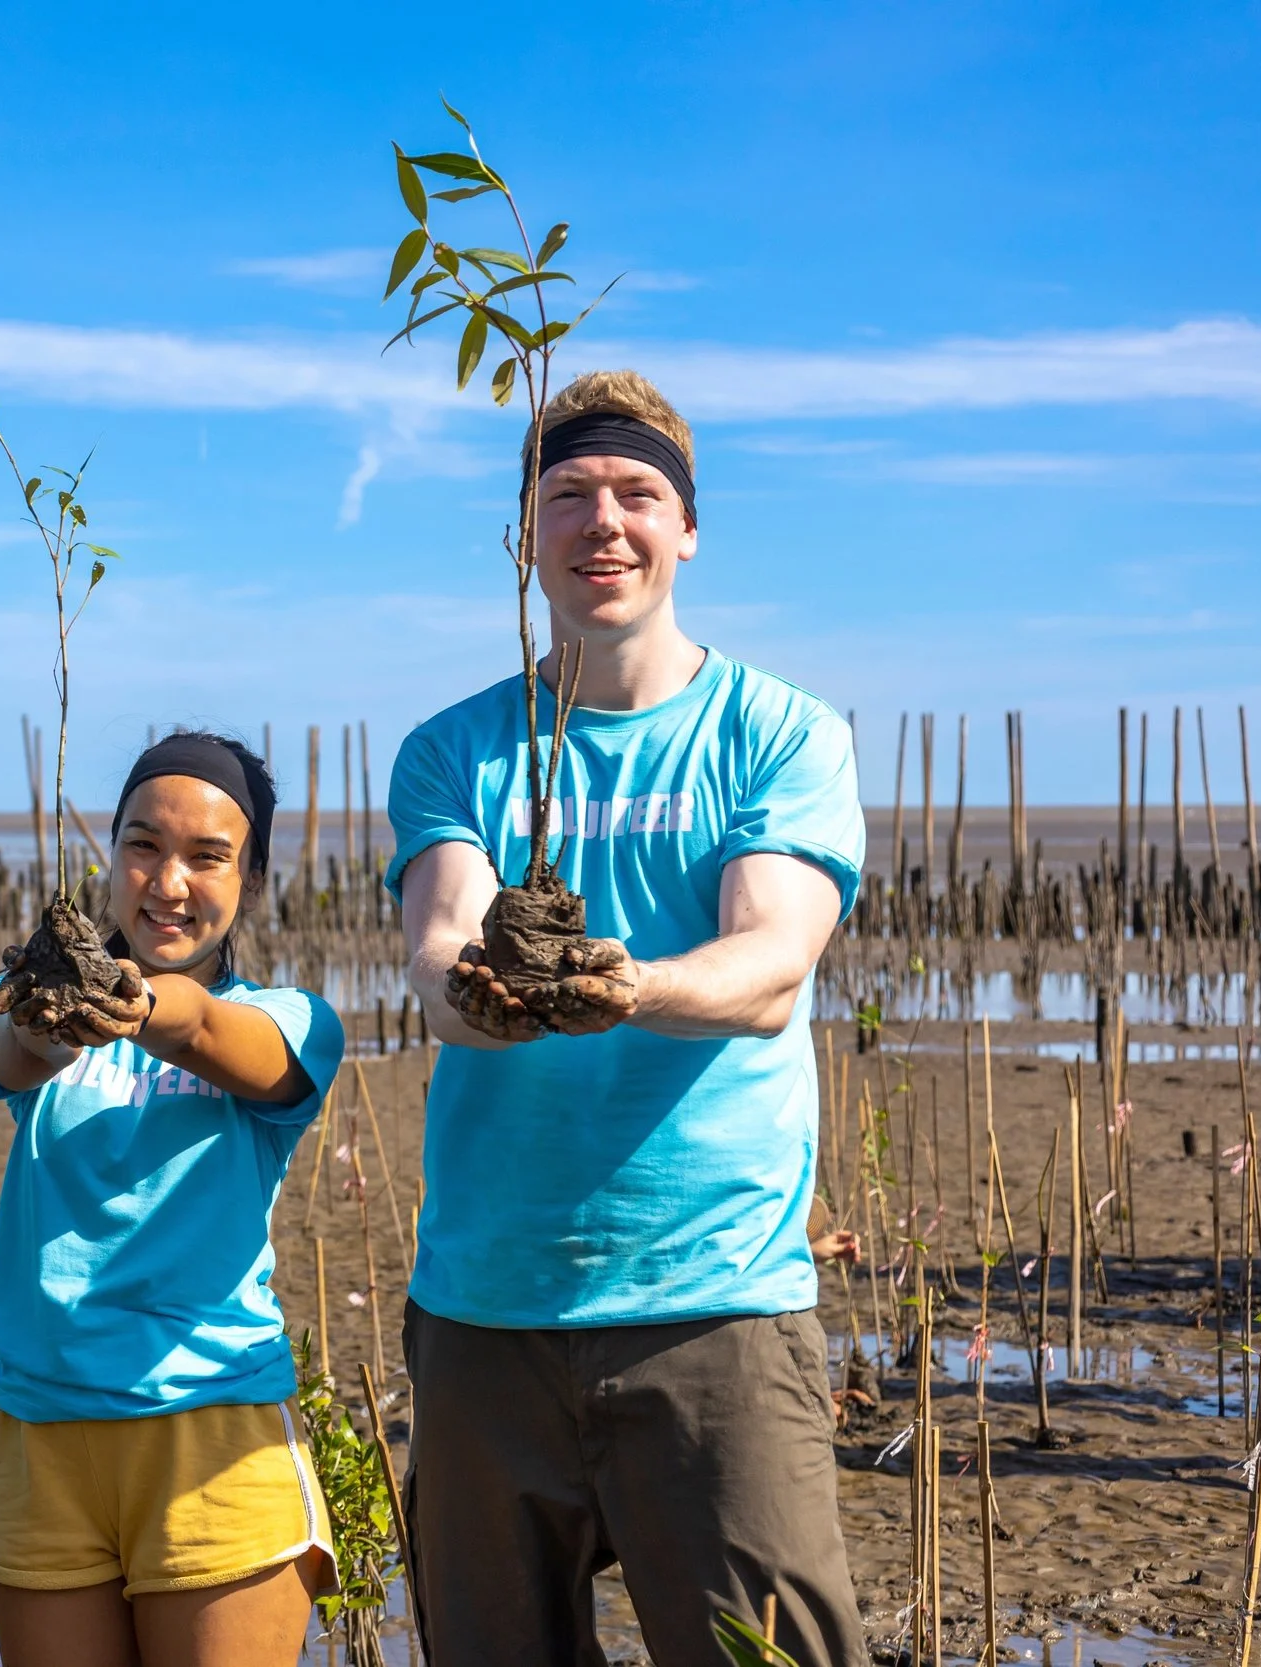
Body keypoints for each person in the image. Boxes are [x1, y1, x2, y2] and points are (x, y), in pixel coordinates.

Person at [389, 370, 869, 1666]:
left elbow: (771, 961)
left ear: (689, 527)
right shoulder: (456, 749)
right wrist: (485, 998)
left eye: (638, 493)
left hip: (714, 1303)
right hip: (486, 1310)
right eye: (569, 494)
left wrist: (627, 988)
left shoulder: (780, 732)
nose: (604, 520)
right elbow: (441, 944)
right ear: (523, 536)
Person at [0, 732, 346, 1667]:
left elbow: (218, 1034)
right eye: (143, 845)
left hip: (211, 1431)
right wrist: (58, 1014)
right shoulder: (27, 1002)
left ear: (250, 880)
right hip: (40, 1433)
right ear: (111, 856)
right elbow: (16, 1054)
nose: (169, 881)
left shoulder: (293, 1020)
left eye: (208, 856)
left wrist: (136, 1004)